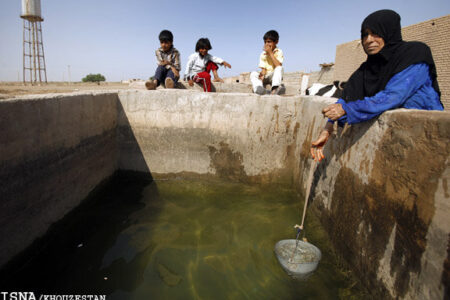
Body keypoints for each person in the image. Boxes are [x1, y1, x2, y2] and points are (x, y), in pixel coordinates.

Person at [311, 9, 444, 162]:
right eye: (365, 34)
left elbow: (392, 96)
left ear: (389, 32)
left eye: (376, 33)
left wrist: (346, 110)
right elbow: (346, 97)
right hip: (397, 145)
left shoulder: (414, 54)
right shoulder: (366, 69)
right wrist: (327, 129)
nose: (368, 40)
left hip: (429, 137)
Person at [250, 30, 285, 95]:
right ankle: (259, 88)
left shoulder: (279, 51)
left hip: (274, 76)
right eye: (265, 42)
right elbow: (263, 69)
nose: (266, 44)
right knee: (253, 73)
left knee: (280, 68)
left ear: (276, 42)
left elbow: (278, 65)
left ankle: (275, 88)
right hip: (266, 76)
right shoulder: (263, 54)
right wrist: (262, 75)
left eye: (269, 42)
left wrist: (270, 53)